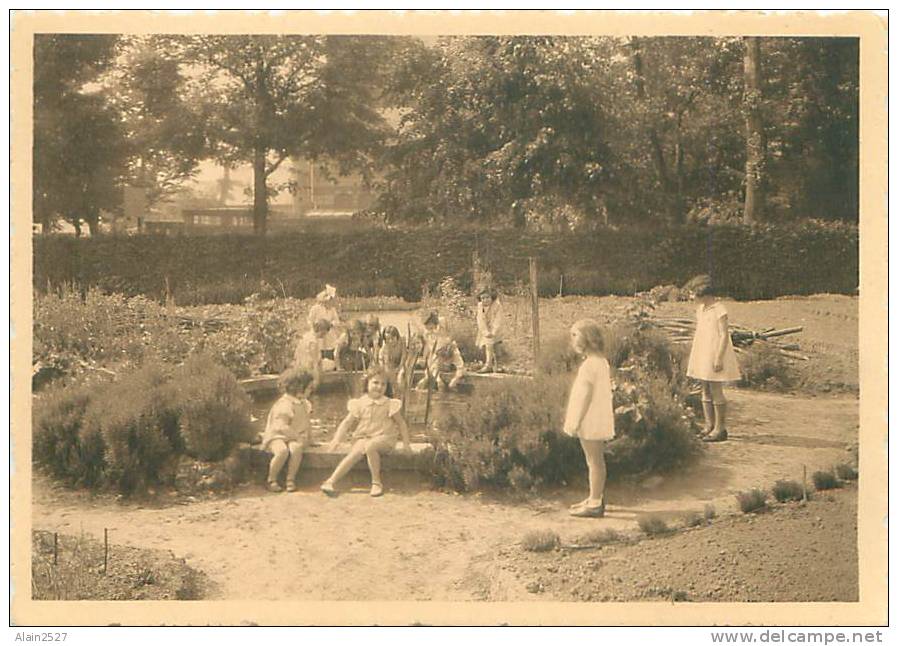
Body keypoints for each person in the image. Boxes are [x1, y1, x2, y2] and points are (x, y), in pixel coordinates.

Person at [320, 367, 412, 497]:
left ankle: (376, 482)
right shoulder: (360, 403)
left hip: (384, 437)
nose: (379, 387)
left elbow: (401, 424)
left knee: (371, 446)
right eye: (375, 383)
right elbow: (346, 423)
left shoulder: (389, 403)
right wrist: (336, 440)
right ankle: (331, 480)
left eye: (383, 384)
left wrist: (406, 444)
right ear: (367, 383)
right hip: (364, 437)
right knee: (355, 452)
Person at [564, 319, 615, 518]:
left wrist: (576, 421)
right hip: (597, 415)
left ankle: (595, 503)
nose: (573, 339)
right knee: (595, 460)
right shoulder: (601, 362)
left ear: (587, 338)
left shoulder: (589, 366)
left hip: (589, 418)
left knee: (594, 461)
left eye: (575, 335)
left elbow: (585, 396)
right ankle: (595, 496)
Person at [686, 275, 741, 443]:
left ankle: (720, 428)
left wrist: (718, 357)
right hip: (703, 353)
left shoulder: (719, 309)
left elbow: (724, 335)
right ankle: (708, 426)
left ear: (704, 293)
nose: (691, 297)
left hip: (715, 353)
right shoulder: (700, 310)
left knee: (716, 390)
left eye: (693, 293)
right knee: (705, 389)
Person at [260, 369, 316, 493]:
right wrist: (296, 436)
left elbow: (307, 423)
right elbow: (281, 426)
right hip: (277, 436)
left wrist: (311, 439)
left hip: (294, 436)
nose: (311, 391)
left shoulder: (304, 403)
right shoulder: (285, 404)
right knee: (282, 451)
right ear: (298, 388)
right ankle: (271, 479)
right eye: (309, 388)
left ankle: (290, 479)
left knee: (296, 449)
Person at [475, 287, 503, 373]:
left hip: (496, 328)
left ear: (492, 298)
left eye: (487, 297)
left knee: (495, 345)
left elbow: (498, 319)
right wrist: (485, 332)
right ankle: (489, 364)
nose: (485, 300)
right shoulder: (480, 306)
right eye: (483, 298)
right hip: (485, 329)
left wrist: (493, 331)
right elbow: (480, 319)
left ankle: (494, 365)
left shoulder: (497, 305)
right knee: (487, 345)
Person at [307, 284, 342, 353]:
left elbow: (337, 321)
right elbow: (310, 320)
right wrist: (314, 328)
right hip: (318, 331)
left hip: (329, 332)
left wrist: (331, 323)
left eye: (332, 300)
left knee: (330, 347)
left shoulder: (332, 309)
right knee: (318, 347)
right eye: (330, 300)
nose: (331, 302)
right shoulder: (315, 308)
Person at [378, 325, 407, 397]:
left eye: (392, 338)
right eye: (387, 339)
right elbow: (386, 365)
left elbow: (404, 356)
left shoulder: (402, 343)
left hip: (401, 365)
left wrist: (399, 368)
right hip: (388, 367)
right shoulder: (384, 349)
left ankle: (401, 395)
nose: (390, 341)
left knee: (400, 377)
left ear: (397, 337)